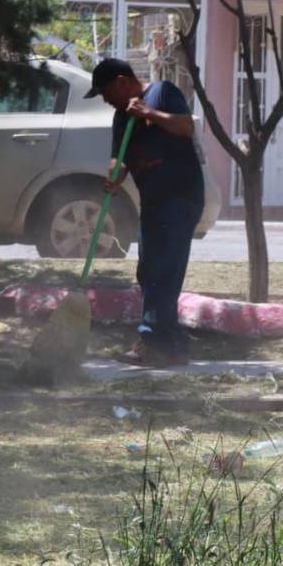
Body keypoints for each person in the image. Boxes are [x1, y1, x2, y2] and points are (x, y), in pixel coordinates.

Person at [86, 58, 204, 366]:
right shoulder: (121, 118)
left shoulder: (162, 92)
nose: (105, 99)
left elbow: (186, 126)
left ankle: (152, 341)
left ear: (123, 81)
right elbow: (119, 159)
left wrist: (148, 113)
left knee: (164, 269)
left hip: (180, 195)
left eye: (105, 91)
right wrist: (114, 174)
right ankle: (173, 345)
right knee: (149, 271)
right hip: (152, 199)